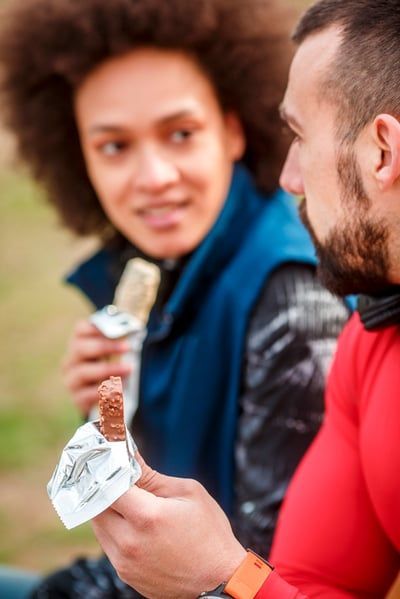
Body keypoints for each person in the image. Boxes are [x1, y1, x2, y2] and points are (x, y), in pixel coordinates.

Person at [0, 0, 349, 596]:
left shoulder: (292, 298)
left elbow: (271, 571)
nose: (154, 175)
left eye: (180, 134)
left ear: (233, 129)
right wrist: (111, 416)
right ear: (77, 153)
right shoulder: (156, 267)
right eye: (114, 146)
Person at [80, 0, 400, 597]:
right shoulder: (372, 335)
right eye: (113, 145)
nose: (289, 178)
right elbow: (316, 581)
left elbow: (257, 567)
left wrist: (226, 576)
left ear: (382, 151)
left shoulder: (296, 289)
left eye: (301, 137)